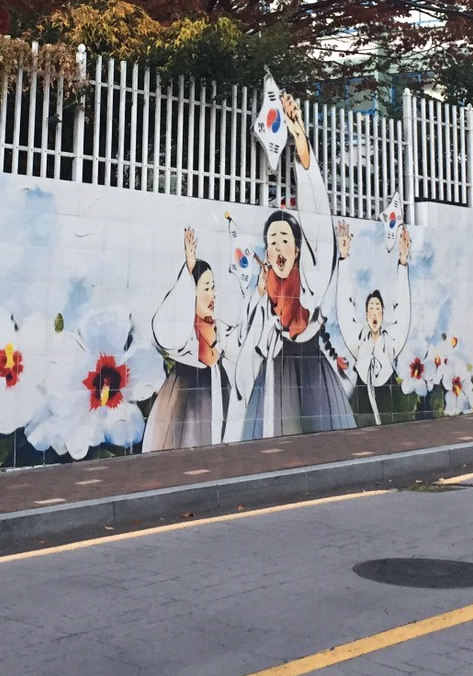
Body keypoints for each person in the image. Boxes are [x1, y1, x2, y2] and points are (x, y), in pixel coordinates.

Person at [239, 93, 356, 438]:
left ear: (298, 247)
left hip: (313, 369)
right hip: (274, 374)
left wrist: (300, 139)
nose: (278, 246)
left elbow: (317, 218)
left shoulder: (310, 279)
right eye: (272, 241)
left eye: (284, 239)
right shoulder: (263, 286)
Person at [142, 227, 245, 451]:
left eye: (213, 288)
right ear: (191, 292)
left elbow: (240, 348)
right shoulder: (185, 332)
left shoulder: (218, 328)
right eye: (206, 288)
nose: (212, 294)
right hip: (185, 400)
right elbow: (166, 334)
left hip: (218, 394)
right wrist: (188, 271)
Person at [336, 220, 412, 426]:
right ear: (365, 314)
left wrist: (403, 262)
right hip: (363, 401)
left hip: (388, 398)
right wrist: (343, 258)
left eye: (378, 308)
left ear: (384, 314)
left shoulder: (390, 342)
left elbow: (403, 310)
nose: (374, 313)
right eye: (371, 308)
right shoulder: (359, 340)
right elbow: (344, 308)